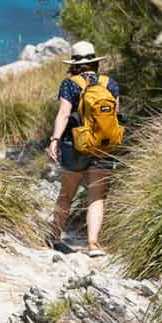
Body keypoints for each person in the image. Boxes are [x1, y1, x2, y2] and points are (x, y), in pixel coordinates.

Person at [46, 41, 121, 259]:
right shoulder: (110, 83)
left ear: (75, 64)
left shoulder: (70, 84)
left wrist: (54, 140)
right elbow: (114, 116)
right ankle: (93, 244)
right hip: (104, 146)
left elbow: (64, 114)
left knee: (67, 194)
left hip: (75, 145)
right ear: (94, 62)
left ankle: (54, 236)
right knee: (97, 197)